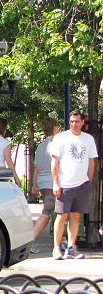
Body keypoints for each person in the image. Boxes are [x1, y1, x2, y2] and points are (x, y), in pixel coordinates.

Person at [50, 109, 98, 260]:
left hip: (82, 184)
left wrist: (88, 180)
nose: (74, 124)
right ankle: (57, 248)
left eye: (77, 121)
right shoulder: (61, 138)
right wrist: (56, 183)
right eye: (72, 121)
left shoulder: (88, 139)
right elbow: (54, 161)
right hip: (65, 184)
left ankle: (71, 247)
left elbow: (92, 161)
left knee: (76, 216)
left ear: (83, 122)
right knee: (61, 216)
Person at [30, 117, 60, 253]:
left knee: (59, 212)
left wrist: (34, 184)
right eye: (57, 126)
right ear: (54, 127)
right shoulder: (58, 143)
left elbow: (35, 167)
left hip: (42, 182)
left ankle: (62, 241)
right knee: (47, 213)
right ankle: (30, 241)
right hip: (52, 181)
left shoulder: (41, 146)